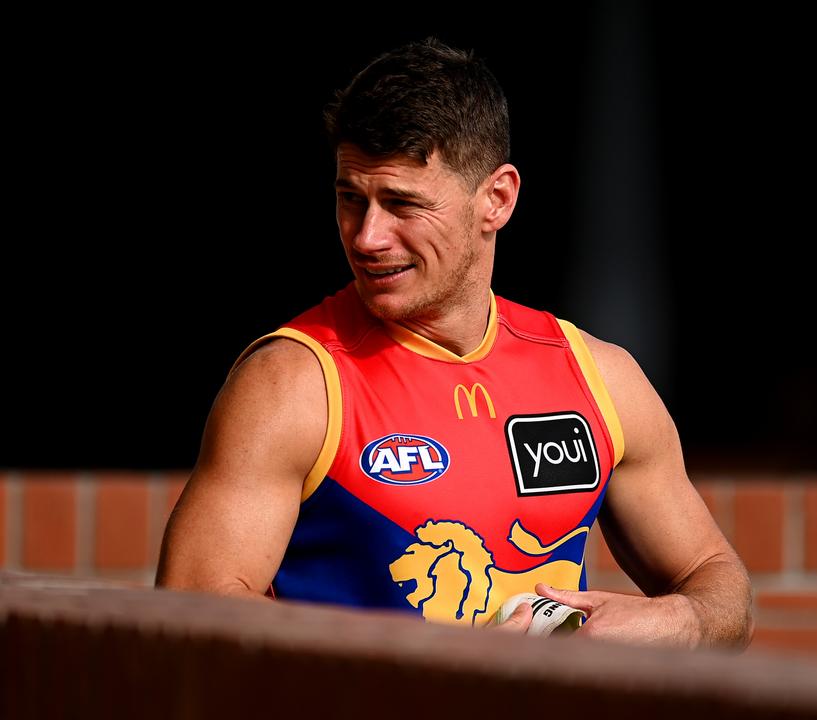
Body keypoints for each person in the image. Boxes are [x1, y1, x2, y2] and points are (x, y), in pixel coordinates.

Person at [156, 37, 753, 648]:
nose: (367, 236)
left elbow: (719, 584)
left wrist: (676, 620)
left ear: (496, 199)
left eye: (402, 204)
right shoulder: (292, 380)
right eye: (350, 199)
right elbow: (189, 616)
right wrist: (415, 669)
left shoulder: (599, 378)